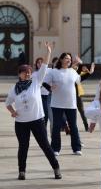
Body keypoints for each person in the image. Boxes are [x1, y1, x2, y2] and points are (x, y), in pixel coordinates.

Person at [5, 42, 61, 180]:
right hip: (21, 123)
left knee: (45, 146)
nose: (28, 74)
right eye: (25, 72)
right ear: (20, 74)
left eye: (29, 72)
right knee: (23, 147)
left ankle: (56, 168)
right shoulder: (14, 89)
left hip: (37, 121)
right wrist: (12, 111)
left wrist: (48, 52)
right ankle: (22, 171)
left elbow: (44, 66)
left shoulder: (36, 82)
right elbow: (7, 103)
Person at [43, 52, 82, 156]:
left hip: (71, 104)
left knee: (73, 126)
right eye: (66, 58)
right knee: (56, 127)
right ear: (61, 60)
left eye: (70, 58)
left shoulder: (72, 71)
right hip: (57, 104)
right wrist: (50, 88)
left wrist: (85, 69)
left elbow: (79, 80)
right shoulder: (54, 72)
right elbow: (44, 82)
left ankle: (76, 148)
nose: (68, 60)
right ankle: (55, 149)